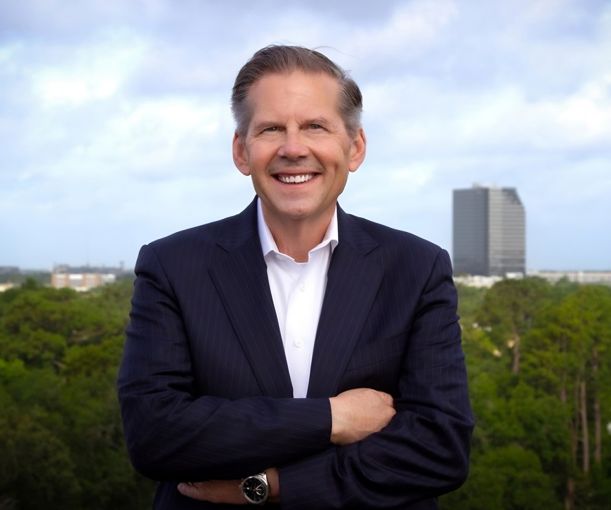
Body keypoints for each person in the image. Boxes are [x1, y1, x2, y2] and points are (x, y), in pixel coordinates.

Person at [118, 45, 473, 509]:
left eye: (315, 126)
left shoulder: (417, 267)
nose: (292, 148)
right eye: (270, 129)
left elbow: (439, 448)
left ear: (355, 148)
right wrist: (332, 418)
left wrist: (270, 486)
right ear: (241, 151)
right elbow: (154, 434)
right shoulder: (172, 265)